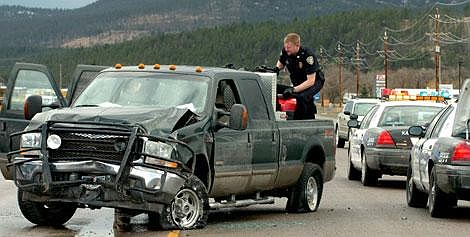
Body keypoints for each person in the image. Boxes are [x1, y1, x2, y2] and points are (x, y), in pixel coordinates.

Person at [275, 33, 323, 120]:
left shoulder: (307, 55)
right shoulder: (285, 52)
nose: (286, 50)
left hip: (313, 82)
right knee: (275, 88)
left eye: (288, 48)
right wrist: (276, 70)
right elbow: (281, 63)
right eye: (285, 47)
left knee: (302, 97)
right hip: (298, 81)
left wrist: (293, 90)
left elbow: (310, 81)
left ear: (297, 46)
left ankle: (299, 121)